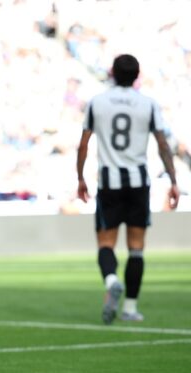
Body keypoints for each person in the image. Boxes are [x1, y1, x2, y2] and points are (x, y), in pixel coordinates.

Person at [76, 54, 179, 325]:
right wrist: (173, 180)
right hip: (138, 183)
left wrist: (80, 177)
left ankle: (111, 281)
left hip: (109, 182)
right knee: (136, 248)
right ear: (137, 75)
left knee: (105, 243)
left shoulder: (97, 102)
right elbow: (162, 144)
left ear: (112, 72)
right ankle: (130, 308)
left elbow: (84, 143)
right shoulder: (148, 104)